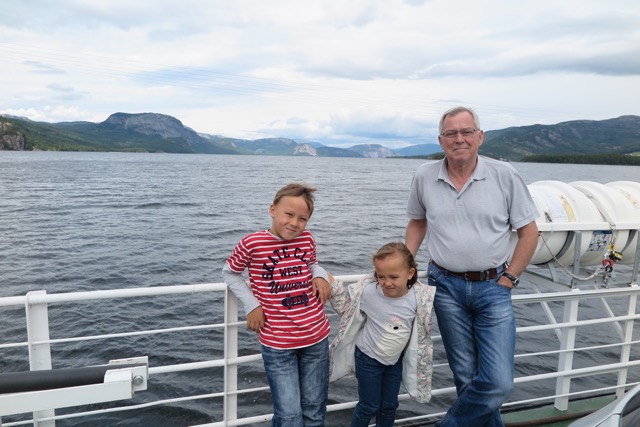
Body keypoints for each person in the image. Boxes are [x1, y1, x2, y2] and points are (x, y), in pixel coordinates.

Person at [405, 106, 539, 427]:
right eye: (451, 133)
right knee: (465, 376)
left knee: (498, 383)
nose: (459, 139)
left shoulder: (504, 175)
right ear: (441, 140)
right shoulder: (425, 175)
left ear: (480, 137)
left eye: (466, 132)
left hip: (494, 287)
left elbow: (529, 232)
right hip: (445, 287)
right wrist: (404, 266)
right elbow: (417, 222)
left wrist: (510, 277)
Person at [222, 182, 332, 427]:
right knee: (288, 415)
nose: (294, 223)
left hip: (316, 337)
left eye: (302, 219)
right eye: (288, 214)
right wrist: (252, 305)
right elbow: (230, 273)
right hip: (277, 342)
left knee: (314, 409)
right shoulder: (252, 243)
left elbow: (312, 263)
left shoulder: (307, 239)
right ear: (273, 210)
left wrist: (320, 275)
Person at [328, 242, 435, 427]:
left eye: (394, 276)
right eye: (381, 276)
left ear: (410, 273)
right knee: (368, 406)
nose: (387, 283)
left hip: (395, 361)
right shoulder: (369, 292)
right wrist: (331, 285)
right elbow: (346, 310)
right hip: (368, 359)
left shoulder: (419, 298)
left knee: (389, 406)